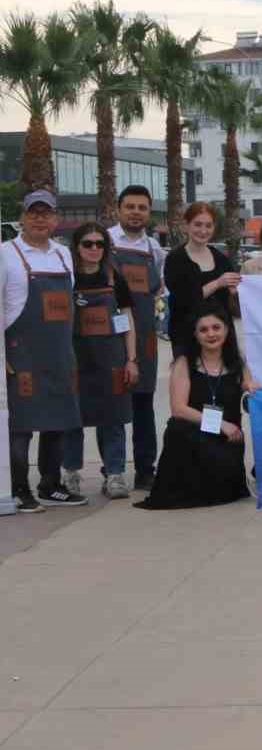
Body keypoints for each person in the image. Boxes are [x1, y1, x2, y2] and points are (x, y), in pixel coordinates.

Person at [5, 191, 87, 511]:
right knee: (21, 427)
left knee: (58, 421)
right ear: (23, 217)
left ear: (55, 219)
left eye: (46, 213)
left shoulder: (63, 255)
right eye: (33, 212)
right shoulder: (6, 254)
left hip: (59, 352)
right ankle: (18, 489)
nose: (40, 218)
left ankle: (50, 485)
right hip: (20, 353)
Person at [136, 302, 255, 510]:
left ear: (227, 329)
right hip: (195, 435)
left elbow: (252, 392)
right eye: (203, 329)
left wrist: (253, 390)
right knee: (176, 427)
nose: (211, 334)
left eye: (216, 327)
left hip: (226, 441)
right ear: (195, 334)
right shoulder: (184, 363)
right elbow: (178, 408)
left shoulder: (239, 364)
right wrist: (221, 424)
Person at [61, 222, 139, 500]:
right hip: (75, 359)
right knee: (72, 419)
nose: (94, 249)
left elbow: (128, 319)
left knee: (114, 418)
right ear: (77, 247)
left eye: (99, 244)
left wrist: (131, 359)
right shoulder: (66, 277)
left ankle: (115, 474)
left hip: (112, 359)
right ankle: (70, 474)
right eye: (87, 244)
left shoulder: (113, 277)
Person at [108, 184, 165, 490]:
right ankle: (112, 470)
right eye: (130, 206)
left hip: (144, 336)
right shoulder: (103, 241)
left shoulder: (154, 249)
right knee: (113, 405)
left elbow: (159, 290)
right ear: (119, 209)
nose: (136, 212)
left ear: (148, 211)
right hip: (107, 337)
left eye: (142, 207)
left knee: (144, 405)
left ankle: (146, 469)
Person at [163, 202, 238, 360]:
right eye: (198, 224)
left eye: (208, 225)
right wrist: (217, 283)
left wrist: (234, 293)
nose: (203, 231)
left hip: (221, 338)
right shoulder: (175, 259)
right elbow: (184, 299)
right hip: (186, 337)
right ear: (186, 225)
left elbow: (233, 305)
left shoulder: (222, 259)